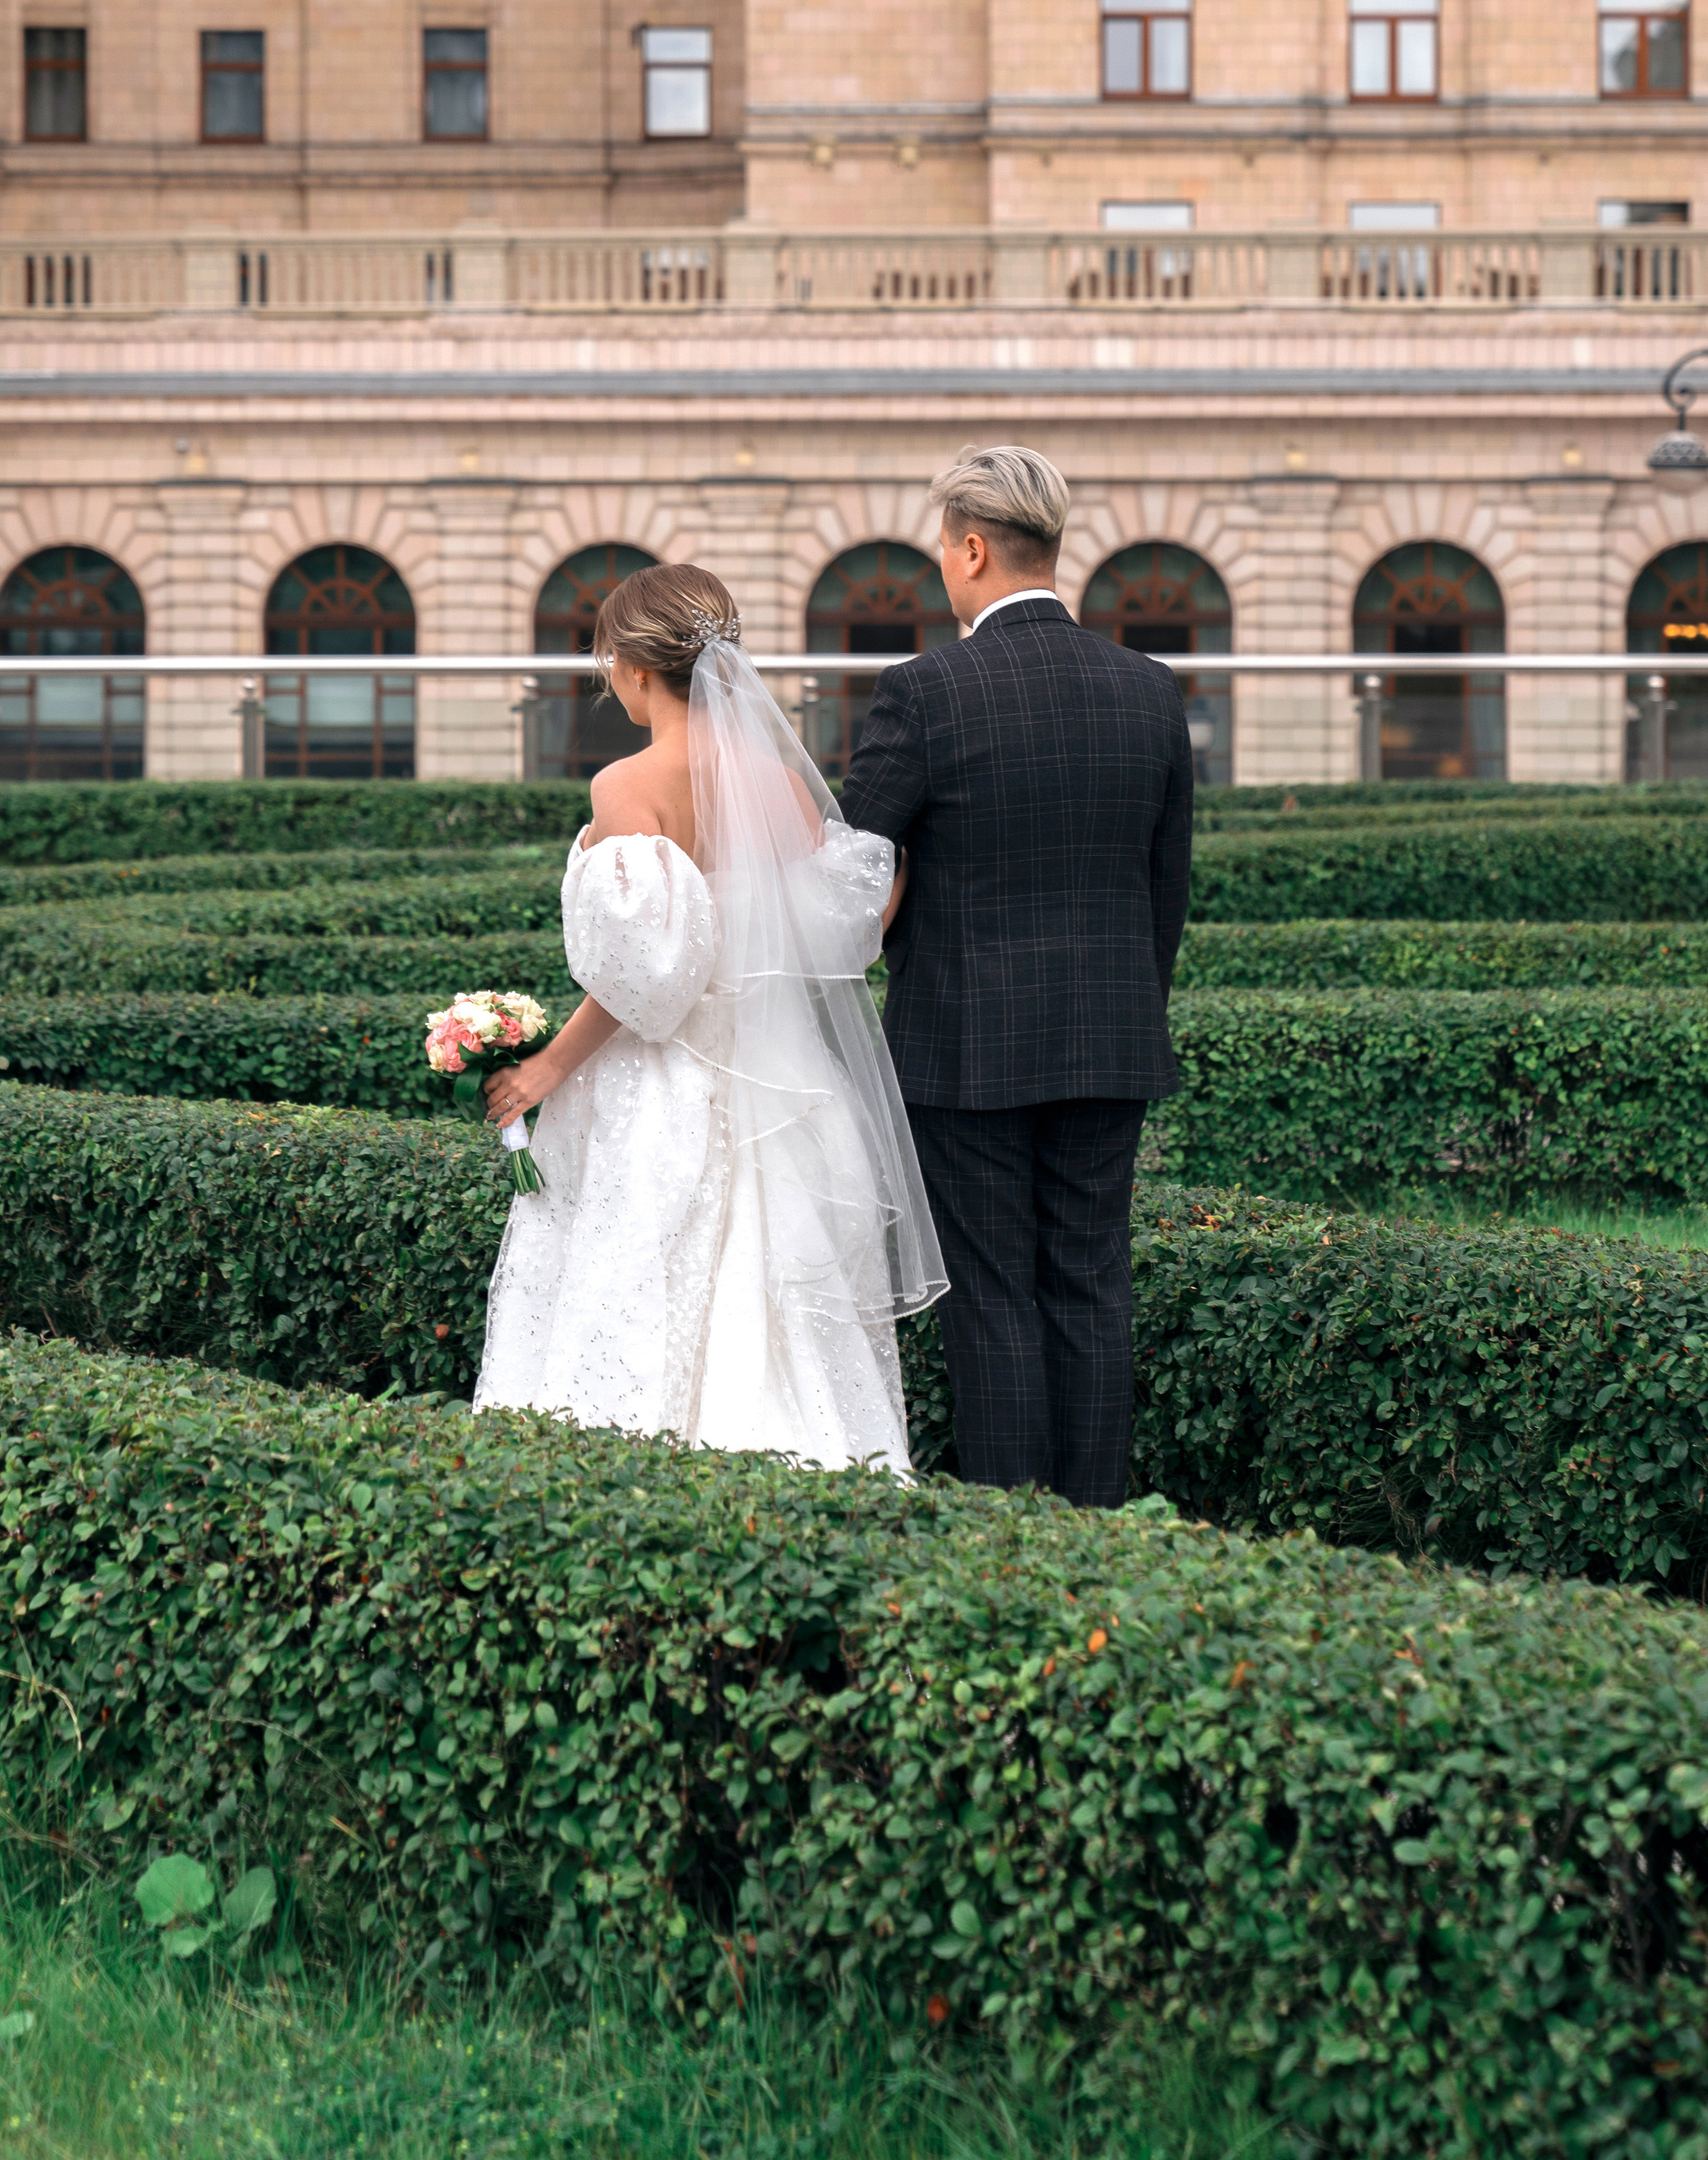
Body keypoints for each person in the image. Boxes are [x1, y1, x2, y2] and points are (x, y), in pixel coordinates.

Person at [473, 562, 947, 1473]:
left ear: (637, 671)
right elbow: (849, 925)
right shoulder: (782, 783)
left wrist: (547, 1068)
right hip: (789, 1082)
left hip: (668, 1081)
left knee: (639, 1296)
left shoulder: (625, 784)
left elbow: (645, 978)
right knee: (785, 1310)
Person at [839, 445, 1193, 1510]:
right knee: (1090, 1286)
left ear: (975, 548)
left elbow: (849, 867)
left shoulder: (923, 693)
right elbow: (1163, 887)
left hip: (963, 1048)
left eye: (945, 549)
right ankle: (1093, 1523)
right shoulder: (1149, 689)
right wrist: (1130, 1003)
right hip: (1112, 1034)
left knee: (992, 1298)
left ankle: (1010, 1537)